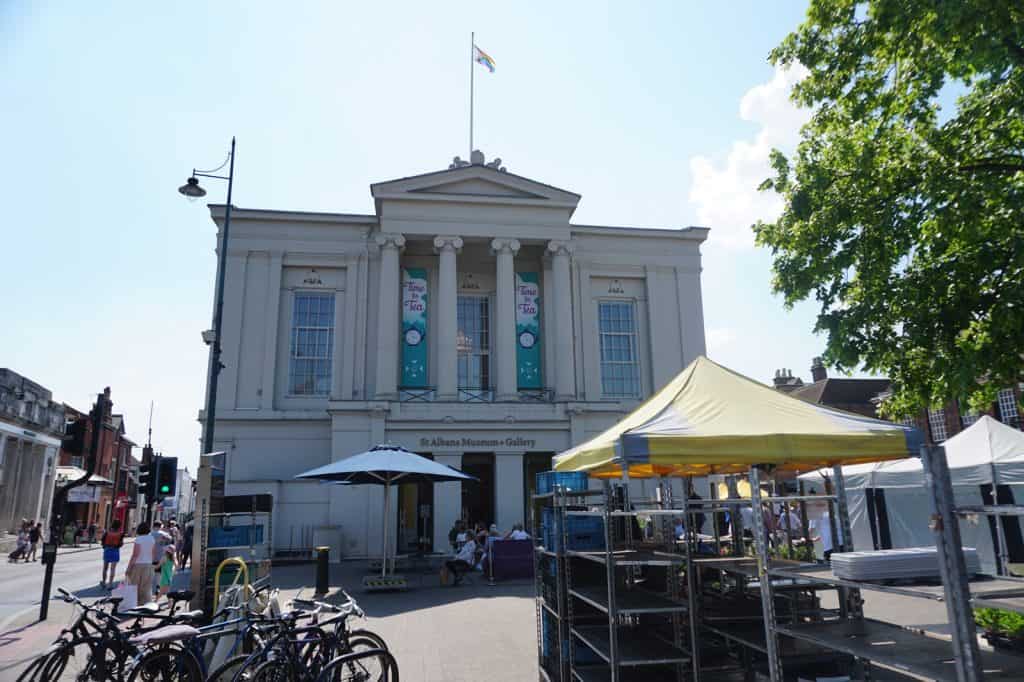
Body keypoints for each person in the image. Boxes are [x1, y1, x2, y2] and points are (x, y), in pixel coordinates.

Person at [125, 521, 156, 604]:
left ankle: (134, 605)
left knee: (135, 587)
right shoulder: (152, 539)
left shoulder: (138, 539)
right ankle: (145, 605)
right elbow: (153, 553)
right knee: (146, 587)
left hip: (138, 565)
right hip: (148, 564)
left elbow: (135, 555)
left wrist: (129, 568)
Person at [100, 519, 124, 589]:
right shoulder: (120, 534)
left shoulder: (107, 532)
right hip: (115, 551)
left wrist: (105, 547)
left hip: (107, 550)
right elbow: (121, 544)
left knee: (105, 568)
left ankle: (104, 582)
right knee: (113, 569)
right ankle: (110, 584)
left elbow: (102, 541)